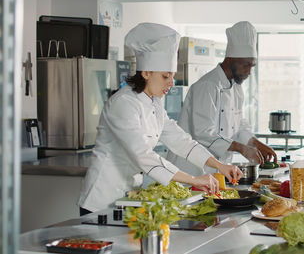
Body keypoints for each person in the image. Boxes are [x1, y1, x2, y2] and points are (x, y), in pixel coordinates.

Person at [78, 23, 242, 215]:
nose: (171, 83)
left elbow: (182, 141)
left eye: (172, 76)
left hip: (128, 197)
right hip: (101, 200)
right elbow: (143, 155)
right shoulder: (123, 103)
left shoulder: (154, 102)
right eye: (166, 76)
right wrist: (194, 179)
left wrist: (219, 165)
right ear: (146, 73)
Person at [168, 21, 277, 176]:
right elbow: (203, 132)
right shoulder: (207, 86)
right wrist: (241, 148)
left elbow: (239, 125)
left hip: (217, 169)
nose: (249, 72)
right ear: (231, 59)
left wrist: (256, 143)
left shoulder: (237, 88)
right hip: (190, 169)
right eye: (246, 65)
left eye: (252, 66)